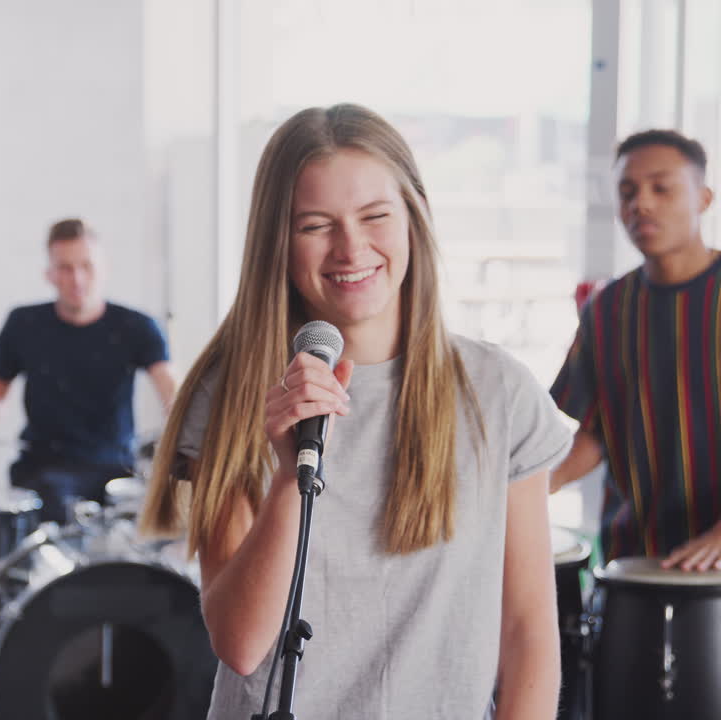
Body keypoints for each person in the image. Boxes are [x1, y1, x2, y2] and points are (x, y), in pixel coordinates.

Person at [139, 105, 569, 719]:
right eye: (316, 225)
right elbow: (239, 643)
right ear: (277, 241)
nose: (351, 248)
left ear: (413, 220)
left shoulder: (497, 392)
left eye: (375, 217)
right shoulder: (230, 391)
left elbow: (527, 630)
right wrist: (291, 474)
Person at [550, 129, 721, 571]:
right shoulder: (607, 308)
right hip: (636, 557)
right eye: (627, 191)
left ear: (704, 198)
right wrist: (521, 489)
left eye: (661, 188)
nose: (640, 203)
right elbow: (595, 434)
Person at [0, 218, 176, 524]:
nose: (77, 279)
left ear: (103, 269)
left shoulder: (137, 327)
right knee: (47, 503)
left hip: (114, 469)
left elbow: (171, 392)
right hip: (43, 469)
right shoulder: (23, 323)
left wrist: (186, 444)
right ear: (49, 274)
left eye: (86, 266)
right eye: (65, 268)